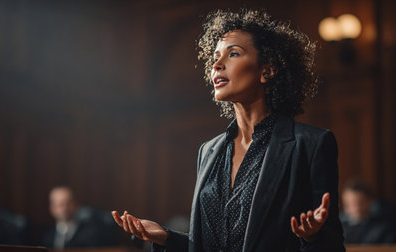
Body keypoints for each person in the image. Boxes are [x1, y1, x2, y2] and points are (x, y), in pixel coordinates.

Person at [112, 9, 345, 252]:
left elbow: (333, 245)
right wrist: (166, 237)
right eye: (215, 56)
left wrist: (311, 238)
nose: (217, 64)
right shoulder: (209, 150)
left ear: (268, 70)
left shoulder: (311, 144)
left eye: (233, 54)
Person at [42, 186, 120, 249]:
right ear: (52, 208)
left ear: (76, 204)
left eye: (68, 203)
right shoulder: (47, 236)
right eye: (60, 204)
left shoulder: (91, 233)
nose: (64, 208)